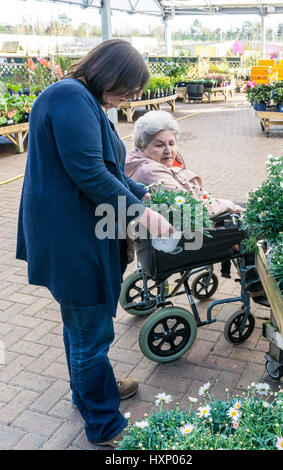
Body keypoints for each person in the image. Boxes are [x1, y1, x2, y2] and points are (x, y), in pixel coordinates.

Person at [16, 40, 173, 448]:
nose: (133, 96)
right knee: (90, 332)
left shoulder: (82, 100)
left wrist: (140, 190)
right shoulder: (69, 96)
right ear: (109, 71)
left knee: (82, 327)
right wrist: (141, 214)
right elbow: (88, 173)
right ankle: (104, 425)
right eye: (130, 86)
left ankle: (90, 388)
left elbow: (105, 166)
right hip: (71, 238)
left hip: (79, 230)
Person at [126, 110, 245, 278]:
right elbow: (192, 209)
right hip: (184, 235)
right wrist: (226, 204)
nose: (168, 150)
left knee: (240, 209)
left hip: (181, 227)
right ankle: (255, 284)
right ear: (142, 146)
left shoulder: (144, 161)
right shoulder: (150, 171)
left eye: (172, 143)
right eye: (159, 145)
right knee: (248, 224)